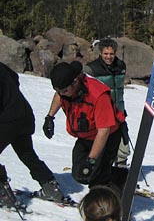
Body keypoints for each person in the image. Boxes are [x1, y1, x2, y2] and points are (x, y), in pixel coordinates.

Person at [43, 61, 126, 193]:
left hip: (107, 137)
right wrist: (50, 117)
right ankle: (110, 173)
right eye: (59, 90)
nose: (62, 94)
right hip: (85, 136)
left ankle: (115, 186)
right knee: (80, 174)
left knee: (97, 178)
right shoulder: (65, 89)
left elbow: (104, 131)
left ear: (75, 82)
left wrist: (91, 160)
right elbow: (59, 95)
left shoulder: (98, 95)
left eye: (64, 90)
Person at [0, 62, 66, 208]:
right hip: (23, 114)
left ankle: (3, 194)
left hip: (8, 119)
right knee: (26, 153)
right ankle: (50, 186)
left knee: (25, 152)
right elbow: (15, 78)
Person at [84, 38, 130, 168]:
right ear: (100, 53)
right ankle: (95, 167)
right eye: (105, 54)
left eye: (111, 54)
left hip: (118, 111)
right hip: (101, 113)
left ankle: (120, 172)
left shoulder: (121, 66)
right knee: (102, 142)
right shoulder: (91, 69)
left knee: (123, 145)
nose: (109, 57)